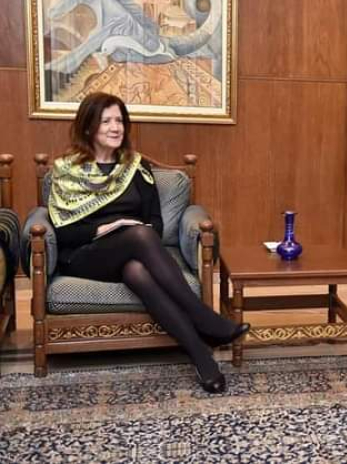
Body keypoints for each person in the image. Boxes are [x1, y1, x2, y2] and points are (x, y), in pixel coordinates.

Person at [49, 92, 249, 394]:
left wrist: (131, 231)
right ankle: (205, 319)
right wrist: (106, 227)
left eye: (119, 120)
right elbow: (63, 232)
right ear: (88, 127)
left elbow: (155, 222)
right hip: (84, 256)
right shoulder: (68, 170)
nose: (115, 127)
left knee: (137, 270)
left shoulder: (136, 167)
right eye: (106, 121)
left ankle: (201, 357)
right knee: (138, 235)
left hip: (133, 253)